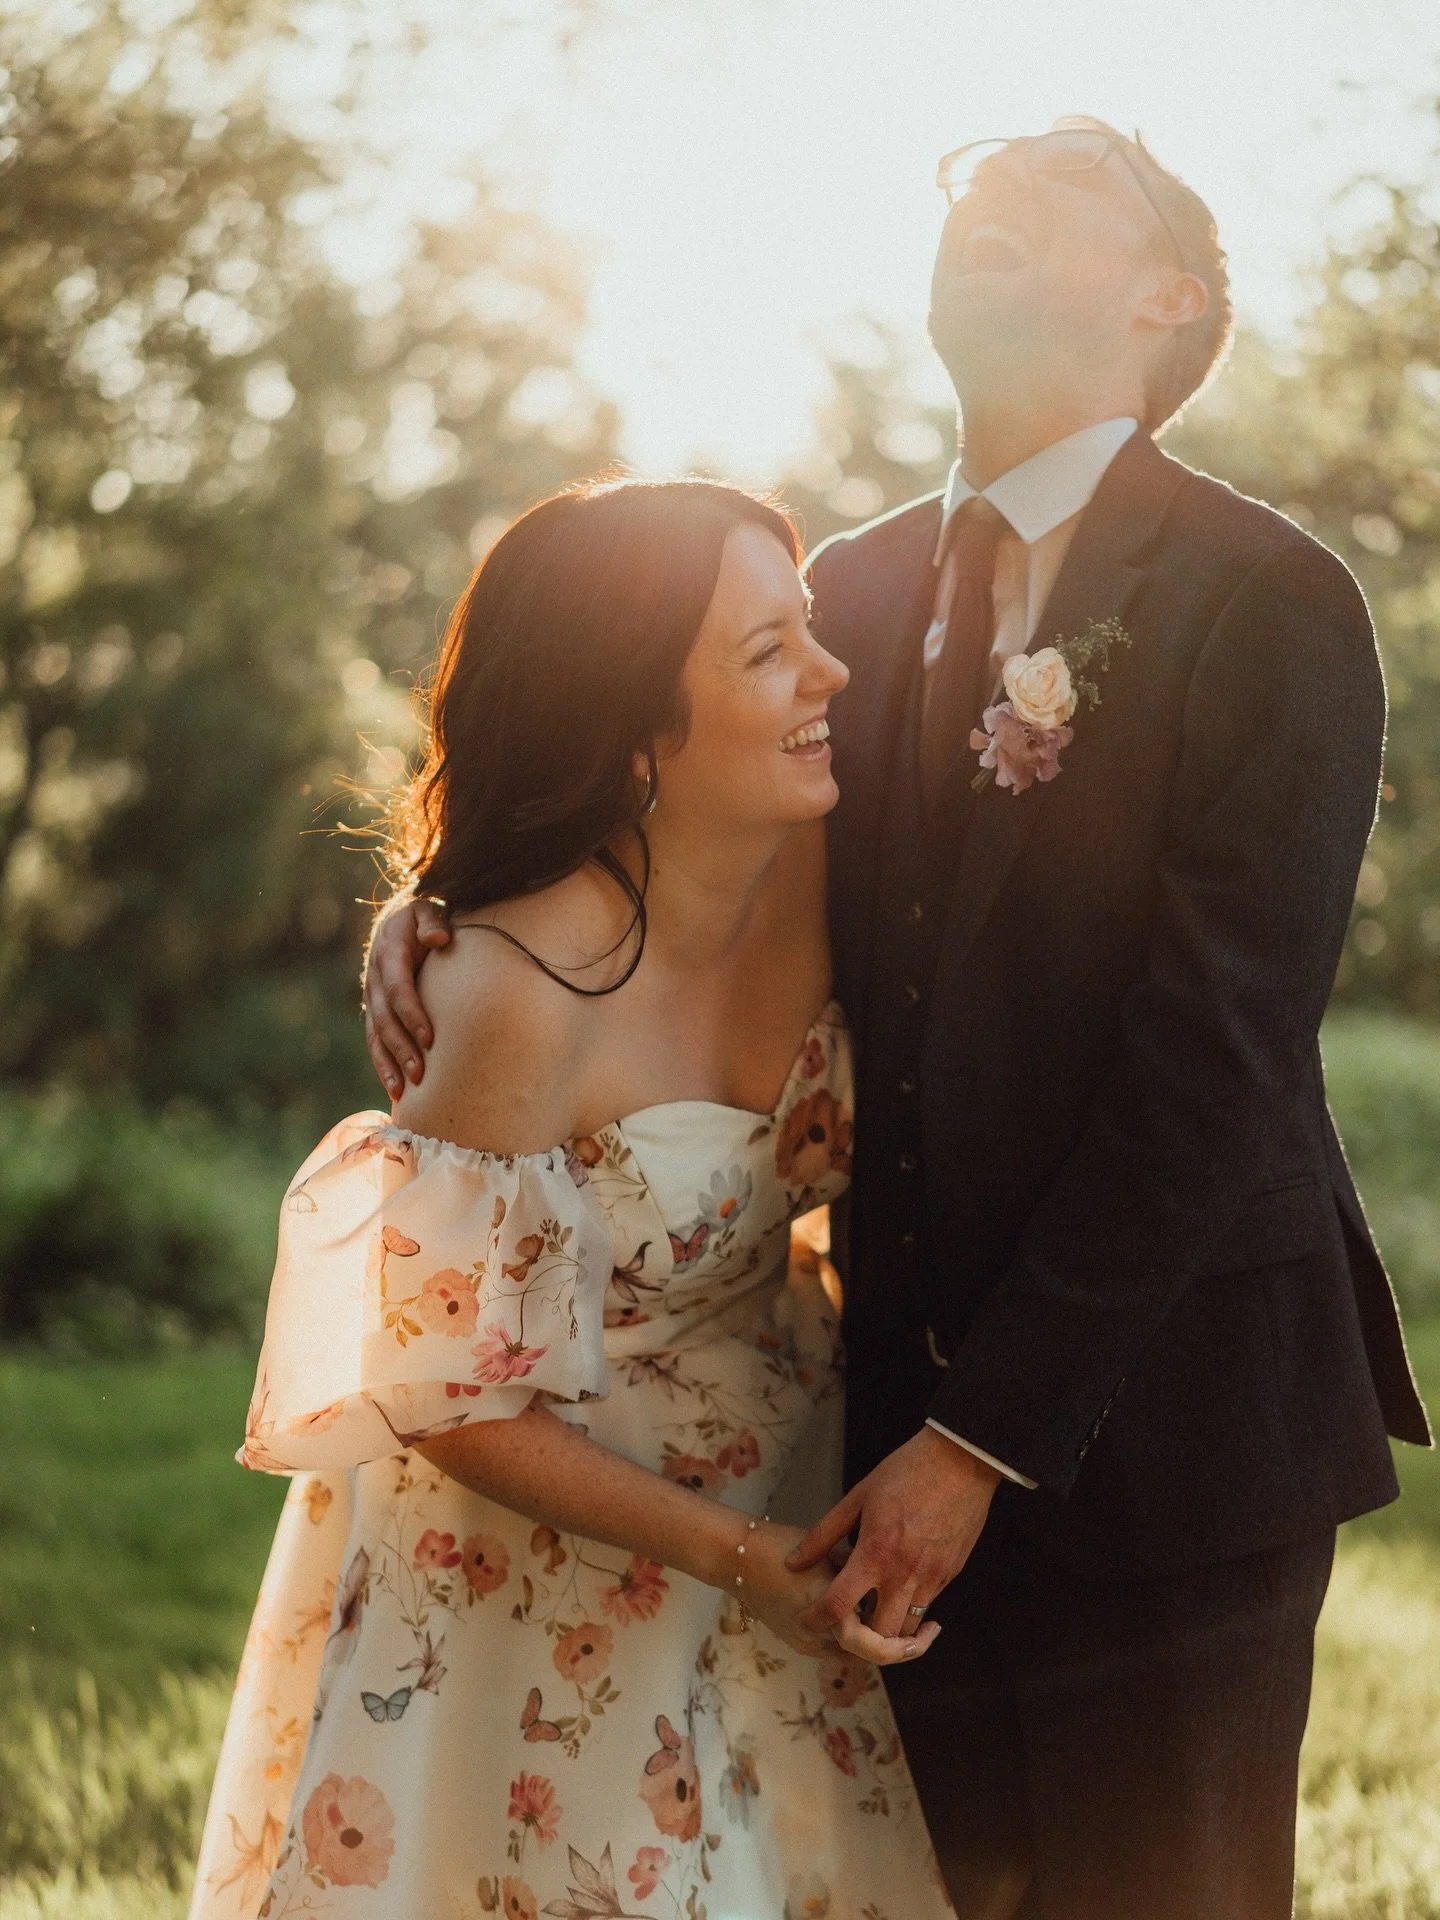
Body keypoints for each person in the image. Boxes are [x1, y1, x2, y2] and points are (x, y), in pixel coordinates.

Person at [365, 120, 1432, 1918]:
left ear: (1168, 302)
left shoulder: (1273, 602)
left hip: (1176, 1433)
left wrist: (979, 1444)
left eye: (1063, 183)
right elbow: (653, 831)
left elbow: (1218, 1061)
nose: (988, 194)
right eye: (973, 180)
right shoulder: (838, 597)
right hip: (868, 1445)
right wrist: (439, 915)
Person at [190, 478, 958, 1920]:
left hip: (785, 1466)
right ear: (635, 734)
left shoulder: (828, 847)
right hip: (549, 1555)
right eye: (769, 651)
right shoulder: (515, 990)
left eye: (806, 628)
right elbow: (445, 1395)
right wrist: (740, 1560)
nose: (833, 674)